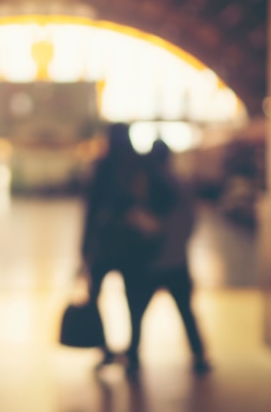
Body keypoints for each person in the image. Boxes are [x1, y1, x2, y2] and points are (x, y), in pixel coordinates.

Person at [81, 122, 163, 371]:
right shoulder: (140, 167)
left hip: (104, 245)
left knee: (95, 296)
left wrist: (84, 246)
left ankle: (104, 348)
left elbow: (91, 210)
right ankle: (134, 350)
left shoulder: (102, 167)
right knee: (134, 300)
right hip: (133, 246)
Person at [125, 139, 210, 374]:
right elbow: (192, 222)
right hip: (177, 261)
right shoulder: (182, 185)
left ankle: (133, 356)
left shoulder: (147, 186)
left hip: (150, 263)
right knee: (186, 311)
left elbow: (144, 225)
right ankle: (199, 354)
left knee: (138, 312)